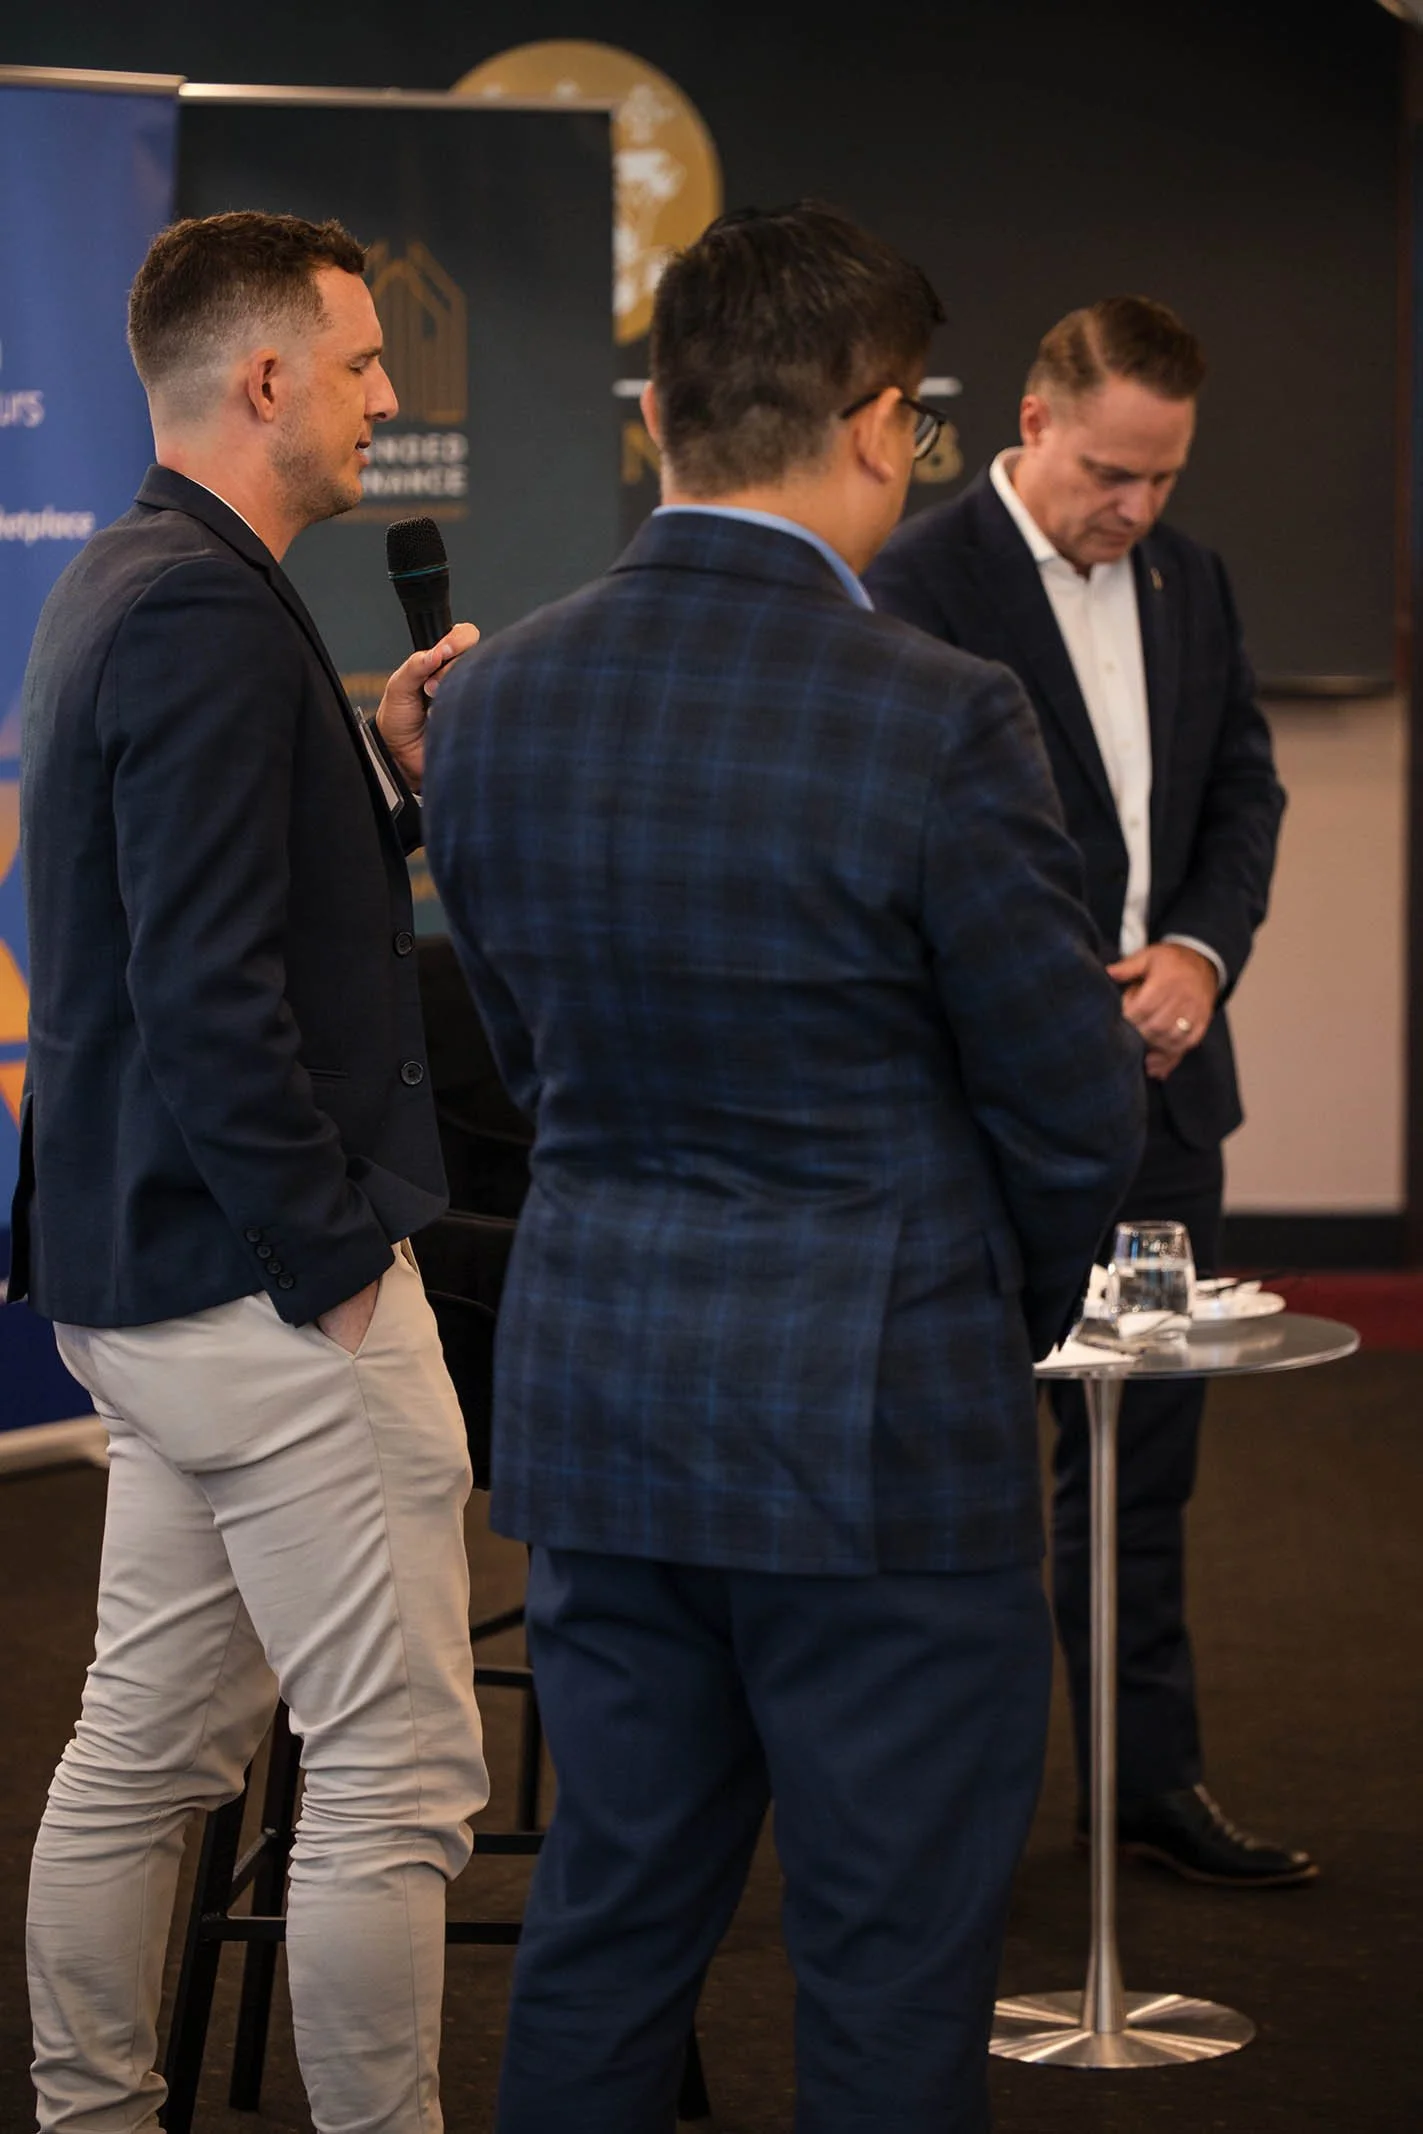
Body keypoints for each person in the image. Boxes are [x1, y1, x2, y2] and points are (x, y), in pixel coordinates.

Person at [424, 203, 1145, 2134]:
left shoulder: (488, 704)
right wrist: (970, 1307)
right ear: (881, 430)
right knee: (891, 1960)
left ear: (659, 412)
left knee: (608, 1927)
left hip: (598, 1407)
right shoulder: (938, 711)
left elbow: (518, 1054)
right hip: (882, 1441)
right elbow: (1074, 1108)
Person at [8, 210, 488, 2133]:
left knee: (146, 1742)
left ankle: (89, 2111)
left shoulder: (140, 574)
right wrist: (337, 1261)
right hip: (259, 1283)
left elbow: (187, 921)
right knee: (393, 1768)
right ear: (267, 376)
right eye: (367, 364)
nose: (390, 397)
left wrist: (371, 769)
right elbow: (212, 990)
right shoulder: (203, 603)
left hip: (152, 1284)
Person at [867, 296, 1299, 1887]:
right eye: (1112, 471)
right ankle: (950, 1820)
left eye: (1163, 478)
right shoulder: (912, 583)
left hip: (1170, 1097)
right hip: (984, 1112)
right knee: (971, 1465)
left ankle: (1142, 1778)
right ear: (1033, 423)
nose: (1136, 508)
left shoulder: (1191, 579)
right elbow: (913, 852)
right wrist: (1061, 1004)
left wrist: (1196, 947)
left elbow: (1240, 784)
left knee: (1145, 1463)